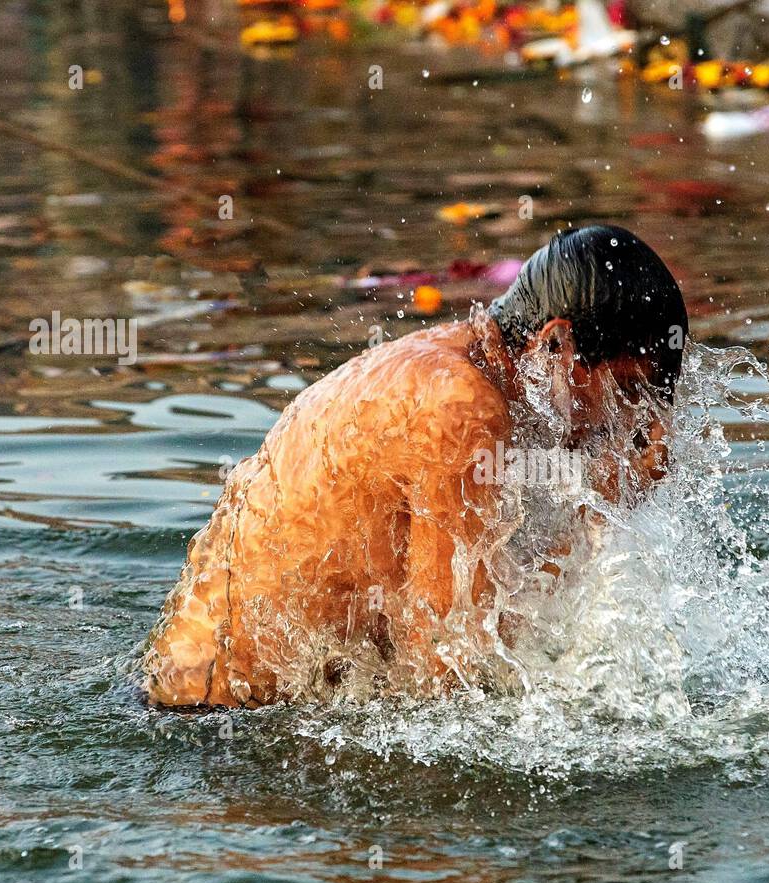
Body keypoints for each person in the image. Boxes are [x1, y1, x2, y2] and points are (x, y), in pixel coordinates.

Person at [142, 225, 689, 707]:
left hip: (211, 697)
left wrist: (600, 497)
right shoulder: (460, 410)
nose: (627, 426)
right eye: (627, 392)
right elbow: (446, 673)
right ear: (557, 344)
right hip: (223, 727)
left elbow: (466, 620)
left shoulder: (459, 365)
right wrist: (599, 511)